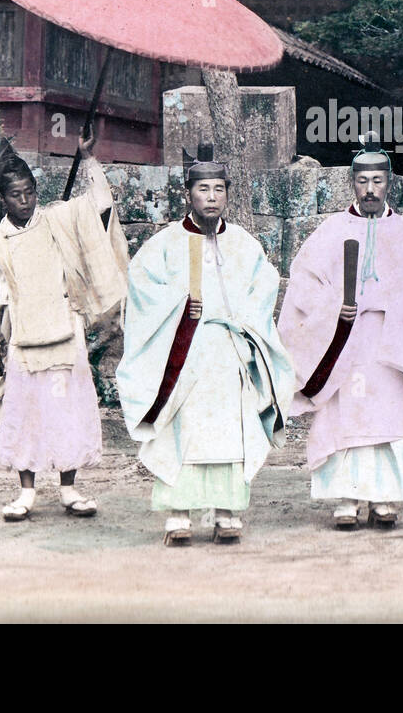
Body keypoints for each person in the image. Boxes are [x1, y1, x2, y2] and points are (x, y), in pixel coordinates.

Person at [116, 148, 295, 545]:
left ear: (227, 193)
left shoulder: (244, 244)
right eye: (203, 189)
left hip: (229, 351)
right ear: (188, 194)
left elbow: (263, 287)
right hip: (184, 354)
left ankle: (226, 512)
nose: (211, 197)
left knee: (230, 431)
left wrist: (239, 315)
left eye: (218, 189)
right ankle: (178, 514)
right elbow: (141, 289)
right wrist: (181, 304)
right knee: (183, 431)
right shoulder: (164, 244)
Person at [279, 135, 403, 530]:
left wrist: (396, 305)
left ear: (390, 182)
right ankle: (346, 498)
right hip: (345, 345)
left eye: (378, 180)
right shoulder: (330, 232)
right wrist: (334, 309)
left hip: (391, 346)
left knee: (388, 419)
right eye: (362, 181)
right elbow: (304, 286)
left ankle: (384, 498)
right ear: (351, 183)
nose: (370, 189)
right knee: (345, 417)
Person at [0, 131, 128, 521]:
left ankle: (69, 489)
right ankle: (26, 493)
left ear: (37, 191)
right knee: (27, 415)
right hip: (23, 339)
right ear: (3, 199)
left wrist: (88, 160)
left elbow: (101, 206)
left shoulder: (59, 219)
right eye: (15, 195)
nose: (24, 201)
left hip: (65, 333)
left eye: (30, 192)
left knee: (68, 411)